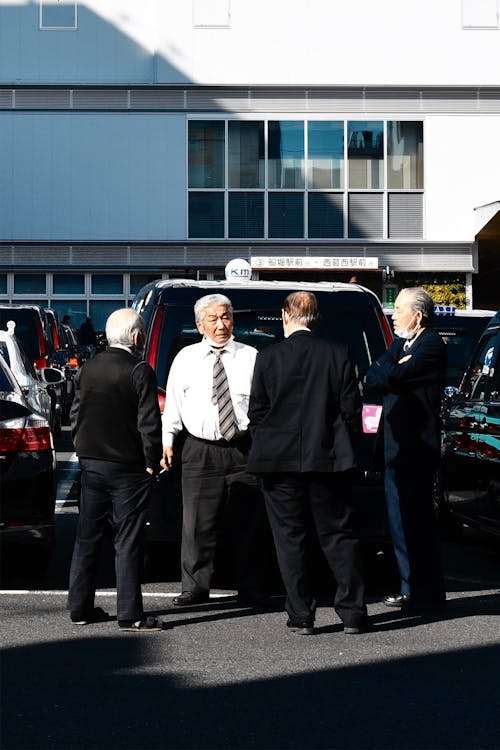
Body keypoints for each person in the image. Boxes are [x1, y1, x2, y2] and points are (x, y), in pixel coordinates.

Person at [247, 291, 368, 635]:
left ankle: (301, 614)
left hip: (278, 459)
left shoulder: (268, 357)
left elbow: (257, 411)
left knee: (290, 538)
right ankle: (353, 612)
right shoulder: (338, 353)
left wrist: (267, 438)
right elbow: (351, 410)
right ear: (316, 317)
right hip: (328, 458)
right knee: (339, 536)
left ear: (285, 316)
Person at [161, 293, 269, 607]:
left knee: (250, 521)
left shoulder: (251, 356)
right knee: (197, 522)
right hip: (199, 448)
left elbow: (264, 404)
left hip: (244, 448)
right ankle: (195, 587)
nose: (221, 325)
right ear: (199, 324)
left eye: (226, 317)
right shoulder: (186, 358)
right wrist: (168, 441)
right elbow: (173, 406)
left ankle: (252, 587)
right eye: (213, 319)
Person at [67, 308, 164, 631]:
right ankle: (130, 613)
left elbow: (75, 414)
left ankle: (79, 606)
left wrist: (82, 451)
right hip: (129, 468)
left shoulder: (88, 368)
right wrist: (152, 462)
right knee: (128, 539)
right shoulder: (140, 370)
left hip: (91, 463)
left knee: (87, 537)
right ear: (137, 337)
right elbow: (148, 423)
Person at [366, 287, 446, 612]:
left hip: (417, 448)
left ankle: (426, 593)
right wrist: (389, 369)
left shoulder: (430, 345)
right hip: (394, 446)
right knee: (398, 521)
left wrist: (390, 370)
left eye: (399, 309)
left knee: (418, 521)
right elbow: (376, 373)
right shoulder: (403, 343)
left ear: (418, 315)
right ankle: (407, 586)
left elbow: (393, 375)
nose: (393, 314)